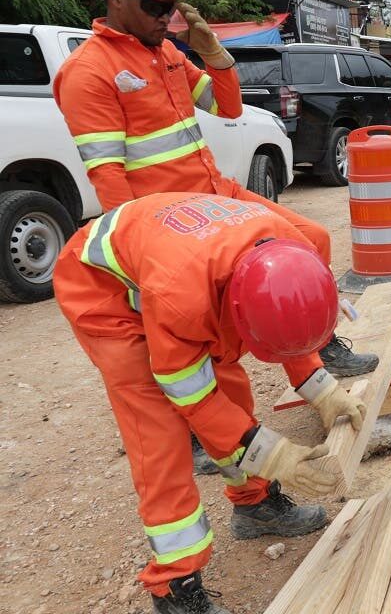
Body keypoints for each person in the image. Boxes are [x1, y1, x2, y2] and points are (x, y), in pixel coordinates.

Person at [55, 0, 377, 477]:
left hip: (216, 197)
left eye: (171, 7)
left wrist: (216, 55)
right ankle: (219, 437)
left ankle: (309, 341)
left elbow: (225, 106)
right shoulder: (90, 71)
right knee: (216, 342)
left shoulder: (165, 53)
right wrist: (139, 270)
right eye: (155, 5)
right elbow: (109, 178)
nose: (167, 17)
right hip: (170, 222)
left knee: (307, 243)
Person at [55, 192, 369, 614]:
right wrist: (272, 454)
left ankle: (255, 506)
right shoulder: (181, 299)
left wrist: (323, 389)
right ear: (235, 308)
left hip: (182, 265)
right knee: (159, 431)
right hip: (102, 291)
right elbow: (195, 401)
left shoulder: (298, 247)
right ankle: (174, 588)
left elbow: (286, 319)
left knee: (233, 394)